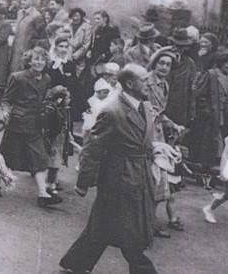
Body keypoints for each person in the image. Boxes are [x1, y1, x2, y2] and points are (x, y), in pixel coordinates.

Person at [60, 63, 158, 274]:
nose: (149, 82)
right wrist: (84, 182)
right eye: (144, 79)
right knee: (130, 230)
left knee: (102, 225)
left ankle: (75, 264)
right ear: (130, 83)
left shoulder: (145, 106)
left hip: (139, 174)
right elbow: (92, 149)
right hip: (119, 178)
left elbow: (146, 140)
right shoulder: (112, 111)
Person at [0, 47, 62, 207]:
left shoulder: (47, 79)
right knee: (6, 156)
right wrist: (5, 111)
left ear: (46, 62)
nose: (39, 62)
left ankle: (43, 193)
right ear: (29, 61)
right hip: (17, 122)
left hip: (36, 123)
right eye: (35, 59)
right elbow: (7, 99)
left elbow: (44, 99)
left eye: (42, 59)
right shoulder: (18, 77)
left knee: (40, 157)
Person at [145, 47, 186, 237]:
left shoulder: (165, 85)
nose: (164, 67)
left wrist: (173, 124)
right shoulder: (146, 81)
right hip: (145, 132)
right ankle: (146, 221)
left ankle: (149, 221)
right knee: (151, 177)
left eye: (168, 65)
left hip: (158, 134)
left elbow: (159, 114)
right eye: (161, 63)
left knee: (159, 178)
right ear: (154, 63)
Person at [190, 52, 228, 189]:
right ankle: (203, 177)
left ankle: (211, 176)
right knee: (207, 147)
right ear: (222, 62)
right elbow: (200, 94)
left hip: (223, 117)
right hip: (210, 116)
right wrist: (206, 110)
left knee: (217, 148)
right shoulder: (211, 74)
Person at [42, 85, 72, 195]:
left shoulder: (63, 110)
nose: (69, 100)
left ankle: (52, 183)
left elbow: (66, 125)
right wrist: (49, 144)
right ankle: (49, 186)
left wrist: (69, 134)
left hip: (60, 141)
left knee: (56, 164)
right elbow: (49, 128)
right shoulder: (53, 111)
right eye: (68, 98)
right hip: (54, 141)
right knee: (53, 165)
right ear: (60, 99)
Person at [165, 28, 197, 127]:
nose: (178, 48)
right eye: (176, 45)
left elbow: (192, 89)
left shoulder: (190, 63)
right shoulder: (164, 60)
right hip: (164, 106)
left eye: (182, 46)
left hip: (181, 108)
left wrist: (191, 112)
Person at [9, 0, 48, 74]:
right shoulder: (20, 13)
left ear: (31, 2)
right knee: (14, 69)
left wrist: (34, 48)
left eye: (25, 0)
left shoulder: (36, 15)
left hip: (28, 48)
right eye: (21, 0)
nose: (22, 2)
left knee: (24, 70)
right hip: (16, 47)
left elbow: (42, 35)